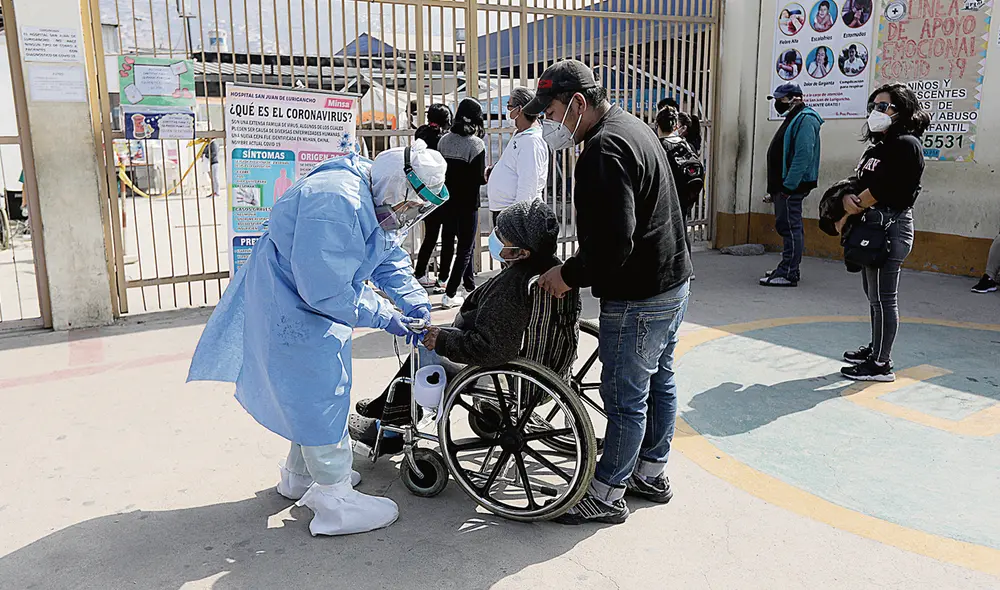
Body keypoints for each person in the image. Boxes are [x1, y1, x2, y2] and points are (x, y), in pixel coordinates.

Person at [186, 141, 449, 536]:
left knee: (305, 393)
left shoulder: (373, 195)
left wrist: (412, 300)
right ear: (399, 189)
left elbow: (385, 253)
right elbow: (325, 291)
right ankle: (334, 500)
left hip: (304, 299)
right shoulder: (334, 203)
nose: (409, 214)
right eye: (411, 204)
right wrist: (385, 317)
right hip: (293, 304)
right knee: (321, 389)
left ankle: (299, 474)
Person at [525, 59, 692, 525]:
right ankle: (651, 472)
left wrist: (568, 274)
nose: (552, 124)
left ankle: (606, 492)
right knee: (658, 381)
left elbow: (614, 244)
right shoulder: (633, 127)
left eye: (554, 112)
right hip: (672, 282)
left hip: (640, 294)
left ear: (577, 103)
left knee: (625, 397)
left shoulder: (602, 150)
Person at [354, 199, 581, 434]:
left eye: (502, 235)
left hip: (501, 373)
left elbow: (493, 348)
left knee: (423, 355)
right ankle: (381, 407)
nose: (496, 236)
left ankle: (389, 430)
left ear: (521, 252)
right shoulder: (553, 270)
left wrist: (442, 341)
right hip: (544, 370)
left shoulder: (512, 287)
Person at [841, 83, 930, 382]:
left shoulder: (906, 144)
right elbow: (856, 181)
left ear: (900, 110)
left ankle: (881, 364)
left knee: (884, 298)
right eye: (873, 107)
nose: (875, 112)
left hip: (890, 229)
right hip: (872, 227)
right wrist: (845, 199)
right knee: (874, 297)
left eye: (883, 106)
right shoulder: (878, 148)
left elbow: (890, 187)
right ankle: (876, 349)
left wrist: (856, 204)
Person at [760, 83, 823, 288]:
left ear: (795, 98)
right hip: (785, 186)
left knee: (791, 228)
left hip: (792, 187)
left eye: (781, 99)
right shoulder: (794, 117)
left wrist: (788, 187)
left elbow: (803, 155)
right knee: (786, 226)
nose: (778, 103)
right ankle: (786, 266)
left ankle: (788, 272)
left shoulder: (806, 119)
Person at [437, 98, 487, 309]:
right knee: (466, 248)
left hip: (446, 200)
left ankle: (465, 284)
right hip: (467, 203)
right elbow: (478, 178)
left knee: (450, 241)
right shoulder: (476, 144)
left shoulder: (443, 141)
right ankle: (450, 294)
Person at [487, 87, 549, 225]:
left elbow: (528, 186)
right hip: (505, 212)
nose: (507, 111)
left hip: (513, 215)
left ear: (519, 109)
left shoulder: (531, 141)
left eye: (509, 106)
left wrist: (517, 222)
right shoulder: (521, 134)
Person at [414, 104, 454, 290]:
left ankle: (420, 272)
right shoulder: (444, 140)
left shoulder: (421, 134)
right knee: (447, 236)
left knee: (430, 235)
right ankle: (443, 277)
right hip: (442, 190)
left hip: (424, 191)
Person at [655, 106, 704, 255]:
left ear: (657, 125)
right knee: (682, 228)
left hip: (666, 197)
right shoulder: (684, 144)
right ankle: (686, 264)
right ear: (676, 125)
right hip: (685, 195)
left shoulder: (658, 146)